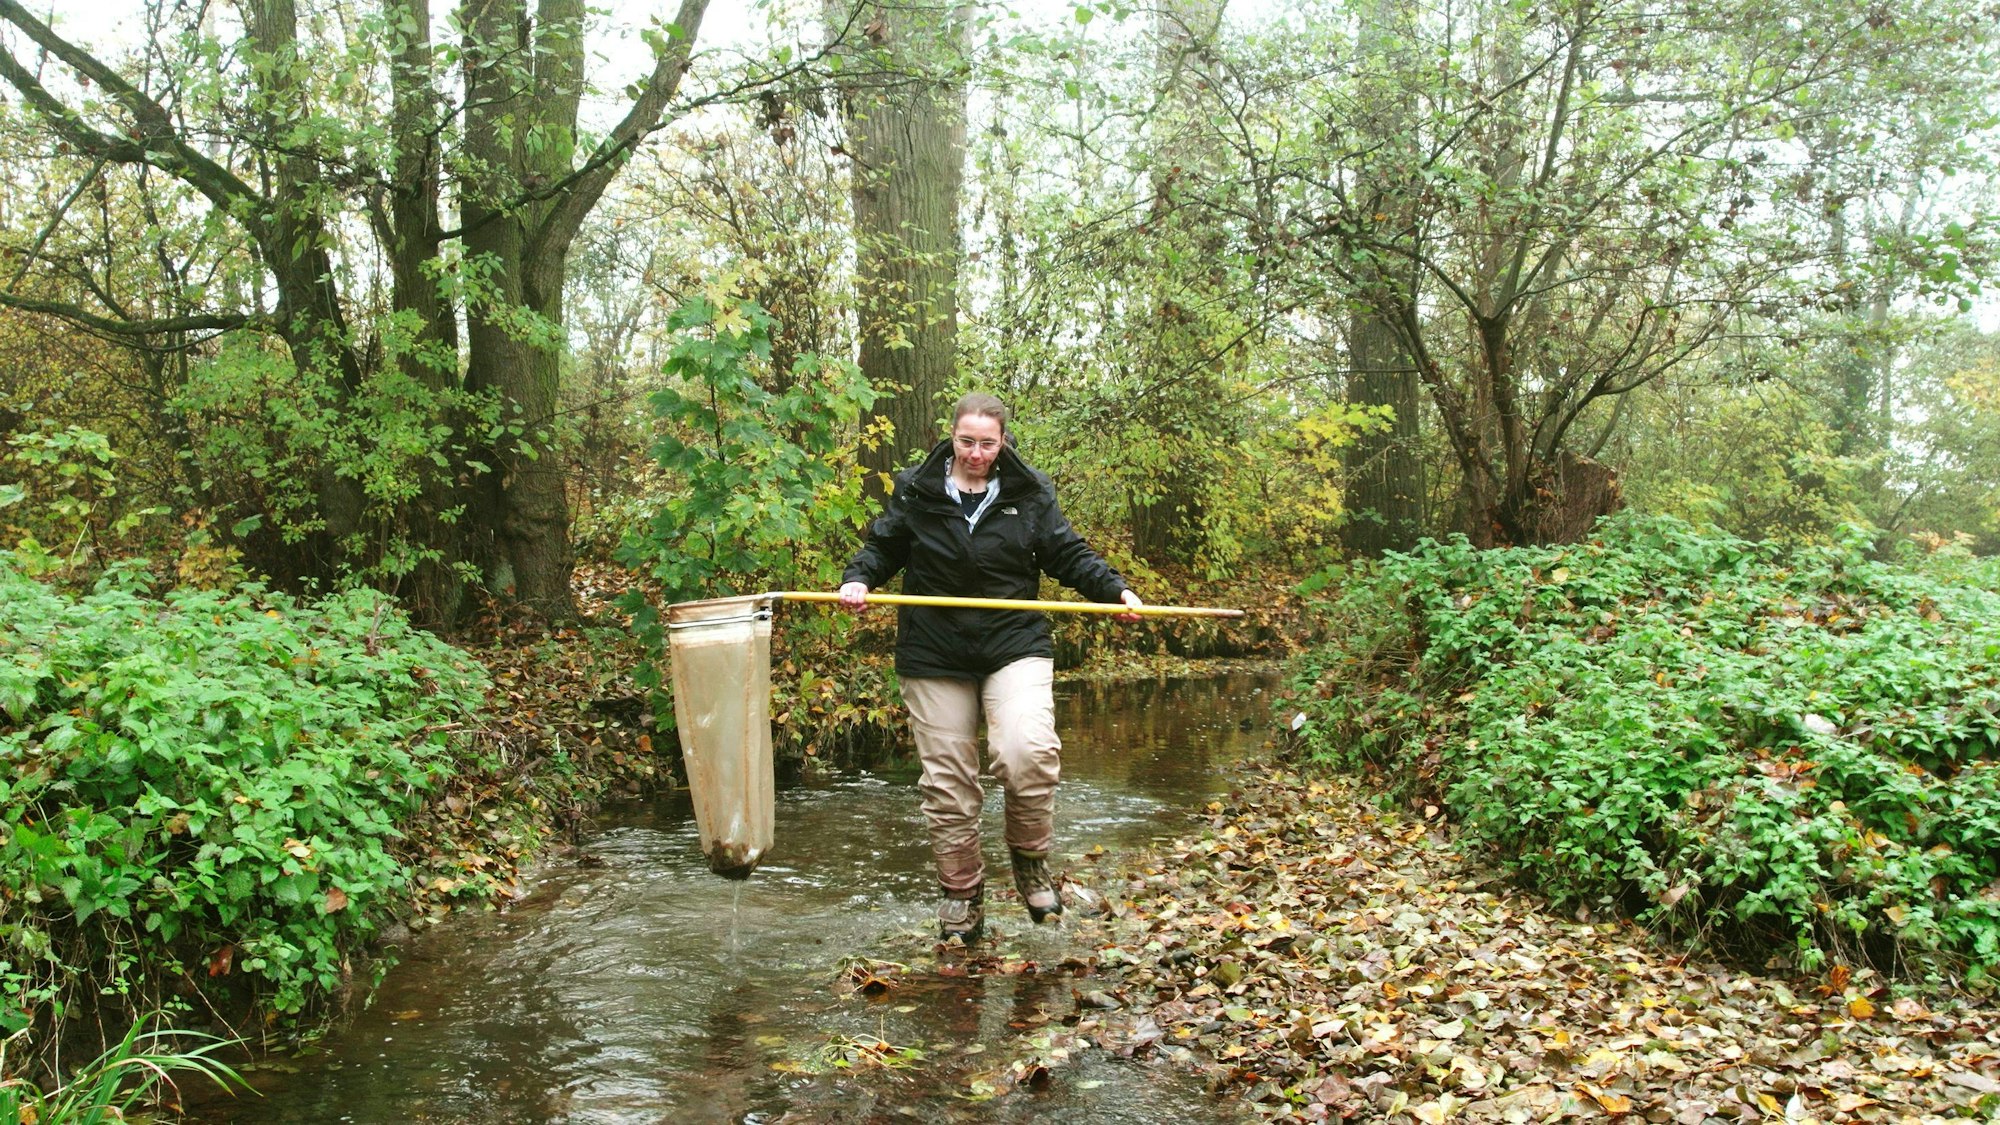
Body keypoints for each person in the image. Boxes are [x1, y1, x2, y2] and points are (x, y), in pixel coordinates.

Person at [839, 393, 1144, 942]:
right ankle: (961, 893)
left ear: (1003, 441)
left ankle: (1029, 860)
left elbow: (1067, 553)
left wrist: (1116, 590)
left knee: (1026, 751)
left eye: (987, 443)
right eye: (966, 442)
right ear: (950, 437)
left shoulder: (1028, 493)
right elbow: (883, 546)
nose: (976, 453)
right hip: (934, 650)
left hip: (1013, 641)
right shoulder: (918, 488)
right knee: (949, 782)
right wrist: (858, 579)